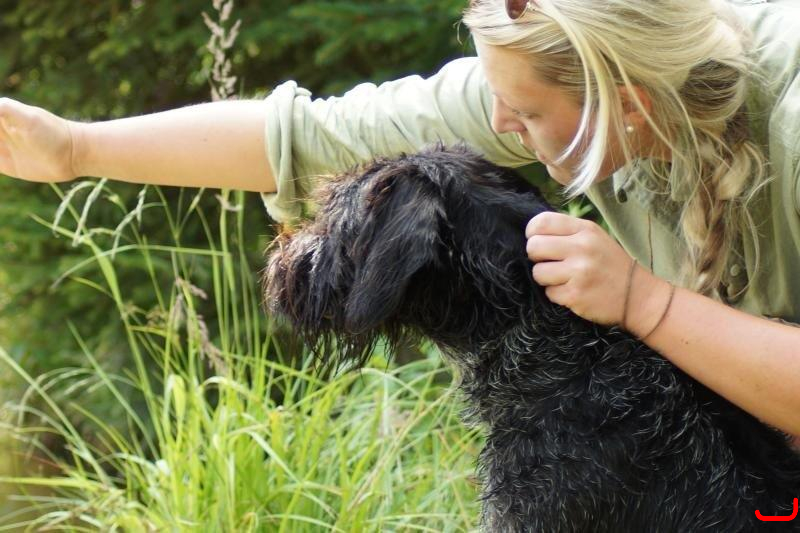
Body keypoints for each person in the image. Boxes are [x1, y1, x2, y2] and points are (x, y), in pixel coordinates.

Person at [0, 0, 798, 443]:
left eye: (522, 113)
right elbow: (309, 137)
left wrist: (643, 302)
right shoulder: (557, 73)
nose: (498, 124)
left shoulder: (787, 117)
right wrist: (72, 147)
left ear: (631, 106)